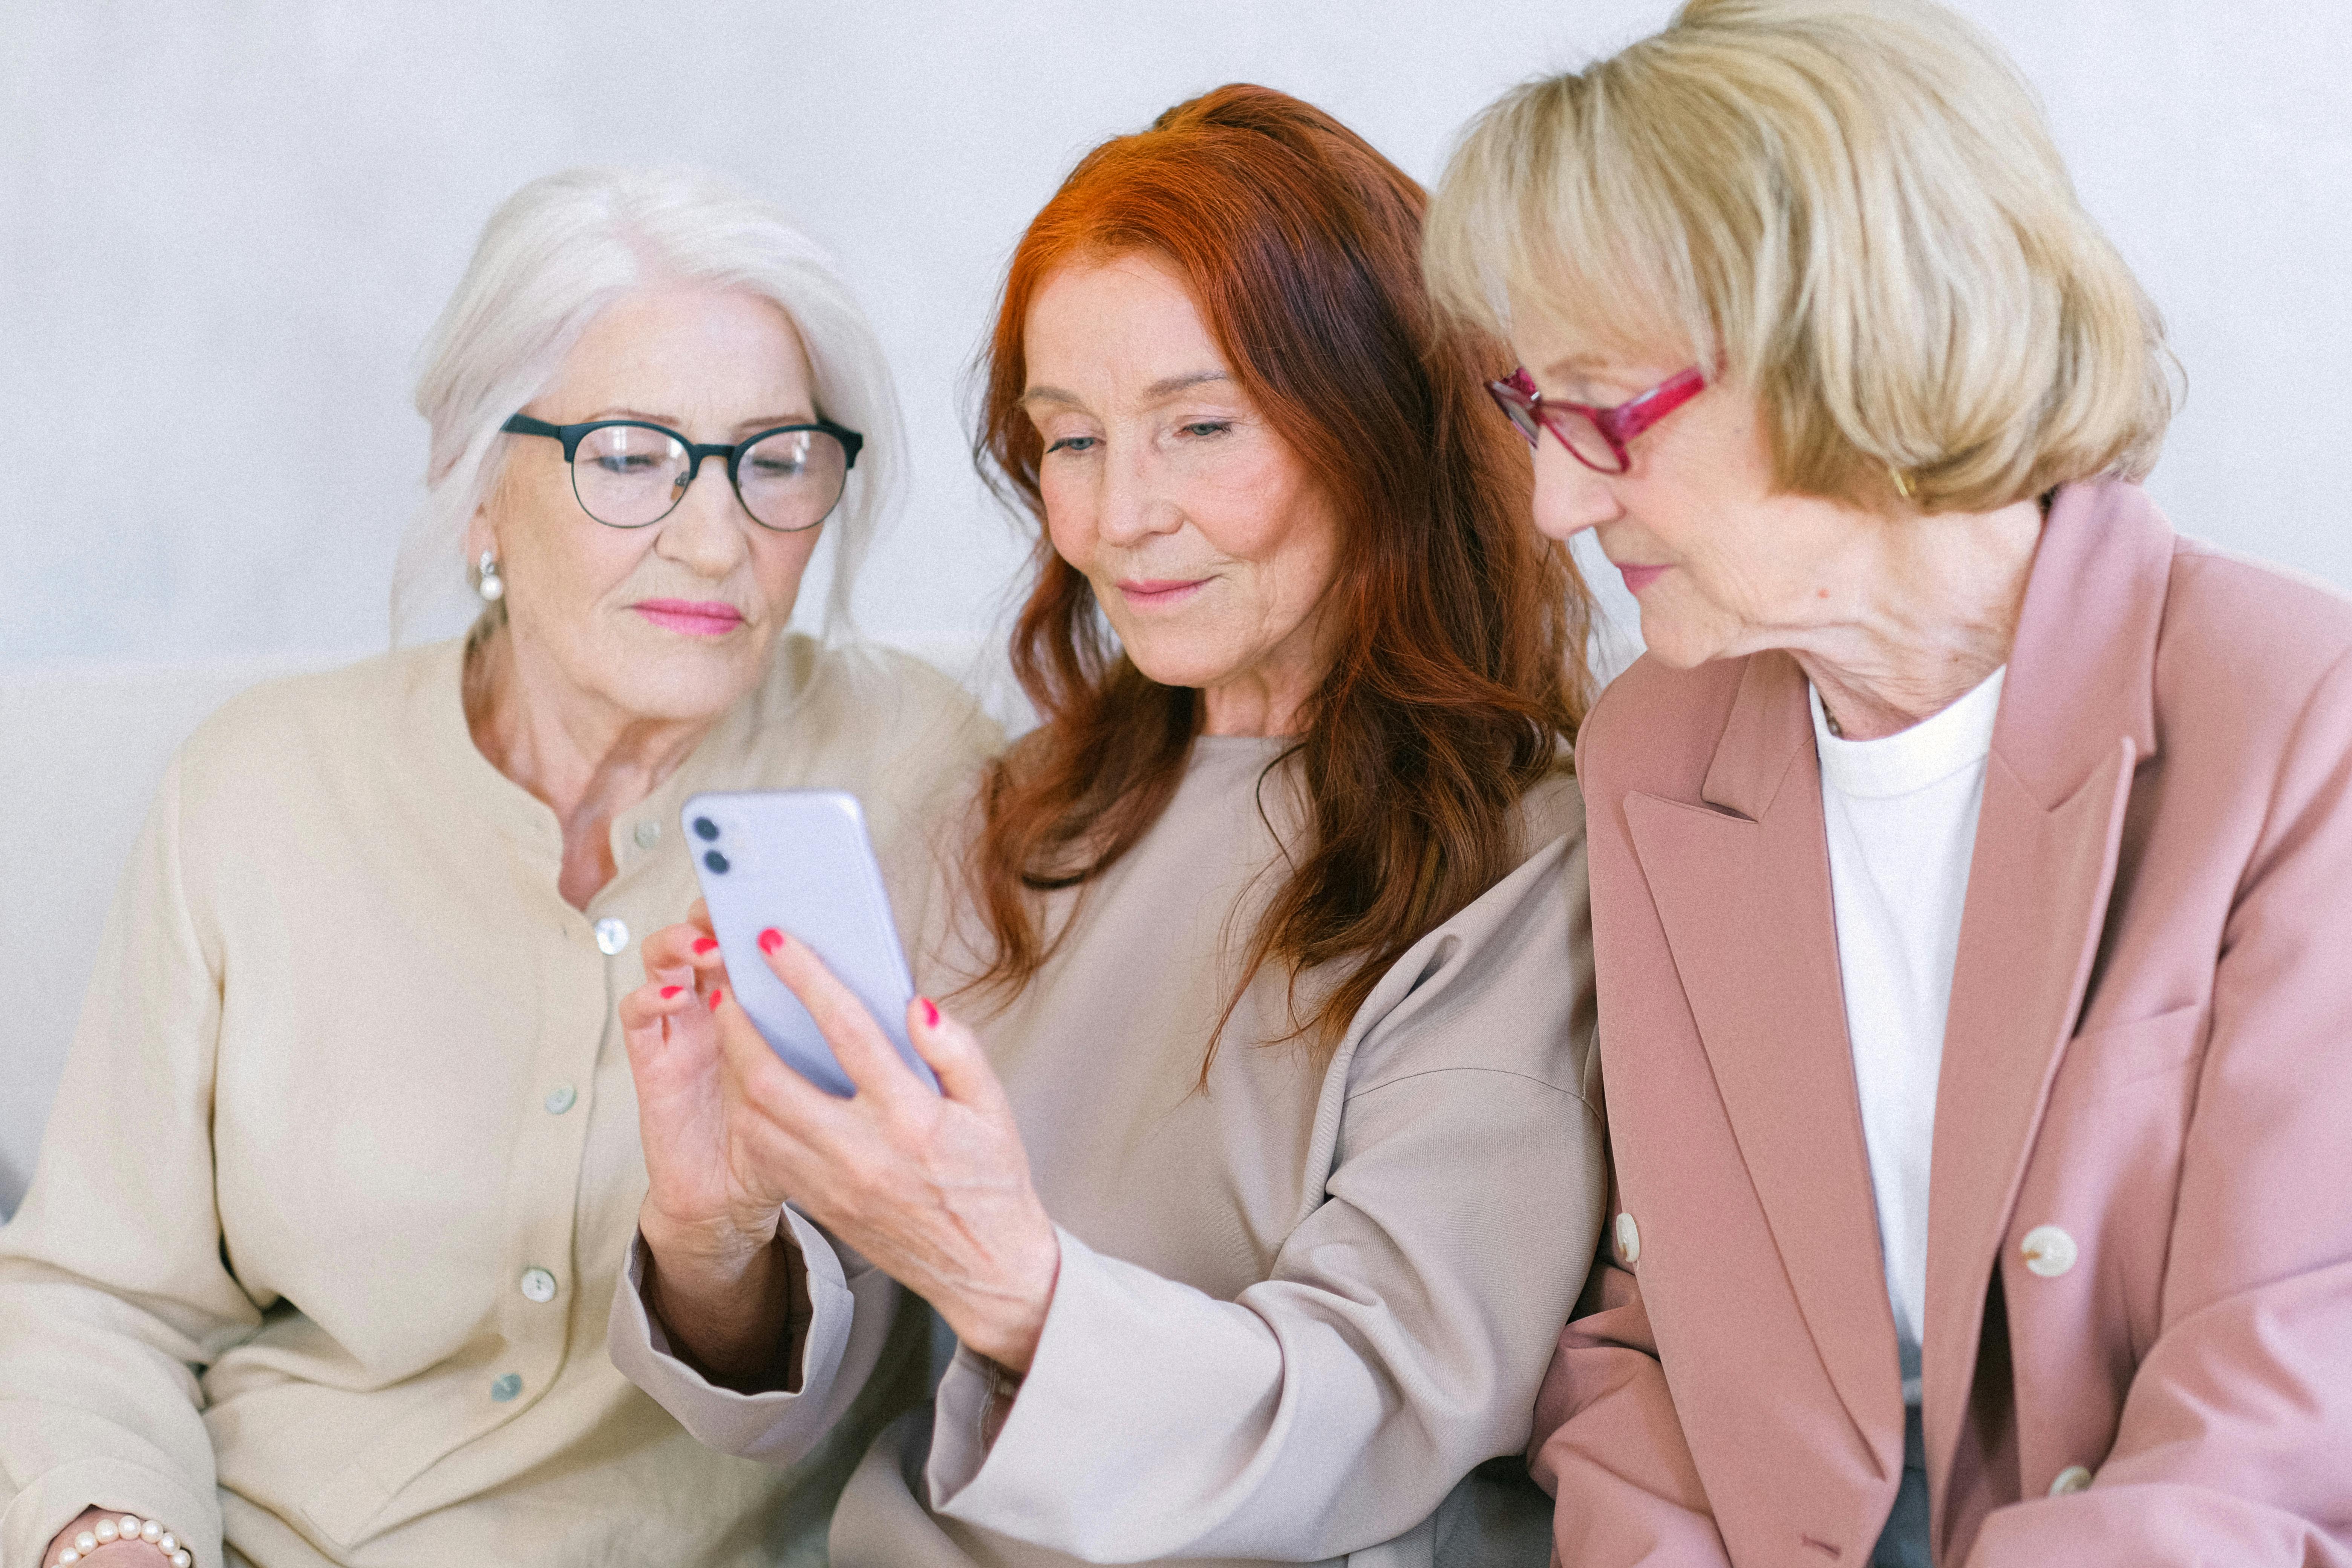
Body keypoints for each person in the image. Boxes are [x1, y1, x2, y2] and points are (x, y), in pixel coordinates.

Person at [607, 84, 1608, 1565]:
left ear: (1382, 429)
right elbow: (800, 1395)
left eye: (1197, 427)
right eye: (1069, 439)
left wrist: (1014, 1283)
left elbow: (1387, 1406)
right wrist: (714, 1227)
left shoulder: (1537, 860)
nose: (1117, 517)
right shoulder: (1015, 816)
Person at [1422, 1, 2352, 1564]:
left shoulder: (2295, 710)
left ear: (1855, 338)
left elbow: (2285, 1385)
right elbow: (1650, 1332)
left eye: (1602, 410)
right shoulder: (1653, 736)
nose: (1551, 499)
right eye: (1533, 409)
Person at [0, 167, 996, 1568]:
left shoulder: (916, 776)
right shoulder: (259, 786)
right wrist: (115, 1538)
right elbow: (98, 1293)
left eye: (777, 459)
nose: (717, 539)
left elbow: (885, 1336)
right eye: (632, 455)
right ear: (478, 482)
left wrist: (713, 1244)